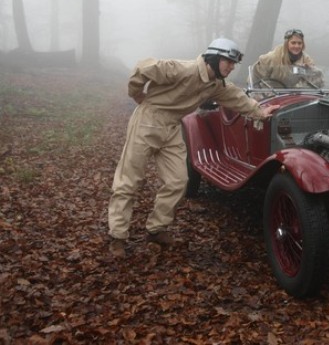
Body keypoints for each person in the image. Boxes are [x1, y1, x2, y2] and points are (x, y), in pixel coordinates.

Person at [108, 38, 279, 258]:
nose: (231, 66)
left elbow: (235, 97)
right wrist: (136, 93)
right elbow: (144, 67)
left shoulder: (215, 84)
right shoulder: (182, 69)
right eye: (228, 61)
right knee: (129, 179)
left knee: (178, 181)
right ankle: (118, 237)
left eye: (234, 63)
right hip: (148, 121)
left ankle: (156, 229)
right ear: (214, 58)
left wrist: (260, 112)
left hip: (172, 126)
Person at [252, 28, 321, 88]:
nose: (297, 46)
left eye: (299, 43)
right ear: (286, 43)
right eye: (293, 43)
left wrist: (309, 71)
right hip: (270, 96)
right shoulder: (270, 58)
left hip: (293, 97)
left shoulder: (306, 60)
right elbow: (255, 80)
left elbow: (316, 83)